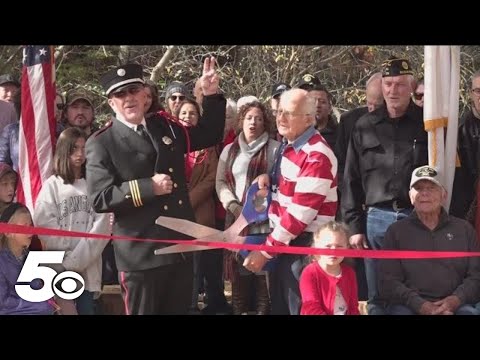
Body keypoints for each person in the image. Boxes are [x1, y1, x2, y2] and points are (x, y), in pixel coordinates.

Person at [85, 58, 225, 315]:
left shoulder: (164, 126)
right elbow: (100, 198)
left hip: (178, 248)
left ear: (144, 94)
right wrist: (148, 187)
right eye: (120, 94)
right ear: (111, 102)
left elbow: (210, 134)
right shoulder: (102, 142)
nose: (129, 98)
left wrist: (211, 94)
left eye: (133, 90)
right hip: (141, 254)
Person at [341, 56, 428, 315]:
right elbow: (350, 180)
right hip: (376, 219)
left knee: (417, 292)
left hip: (418, 218)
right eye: (388, 84)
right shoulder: (364, 125)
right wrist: (354, 227)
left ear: (411, 86)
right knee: (378, 296)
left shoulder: (428, 124)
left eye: (400, 84)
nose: (393, 90)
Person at [243, 88, 338, 315]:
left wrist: (265, 251)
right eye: (280, 112)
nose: (281, 118)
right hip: (284, 244)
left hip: (303, 248)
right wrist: (269, 179)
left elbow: (299, 216)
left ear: (309, 118)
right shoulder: (288, 145)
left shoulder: (316, 154)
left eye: (290, 113)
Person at [378, 165, 480, 315]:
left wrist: (455, 300)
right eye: (418, 188)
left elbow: (476, 276)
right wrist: (420, 305)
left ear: (444, 195)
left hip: (456, 305)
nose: (424, 193)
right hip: (409, 306)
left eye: (431, 188)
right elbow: (388, 281)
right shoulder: (395, 232)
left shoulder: (464, 230)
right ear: (410, 196)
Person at [34, 127, 110, 315]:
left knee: (86, 310)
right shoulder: (52, 185)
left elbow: (102, 227)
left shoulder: (95, 184)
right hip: (59, 267)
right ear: (63, 150)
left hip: (88, 265)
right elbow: (44, 224)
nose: (79, 154)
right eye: (74, 148)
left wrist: (78, 258)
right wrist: (69, 254)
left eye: (84, 148)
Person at [216, 100, 279, 315]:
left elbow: (278, 181)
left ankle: (263, 310)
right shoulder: (229, 150)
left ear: (265, 123)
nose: (254, 122)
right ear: (241, 121)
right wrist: (232, 205)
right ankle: (238, 309)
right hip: (235, 217)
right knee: (238, 265)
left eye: (259, 118)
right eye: (249, 118)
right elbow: (220, 182)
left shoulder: (274, 149)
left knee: (261, 266)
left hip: (264, 218)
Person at [0, 203, 55, 315]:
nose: (30, 231)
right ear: (8, 232)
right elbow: (4, 302)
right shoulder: (1, 262)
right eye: (24, 227)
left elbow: (37, 289)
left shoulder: (29, 258)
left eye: (31, 225)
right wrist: (40, 306)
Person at [300, 221, 359, 315]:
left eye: (339, 246)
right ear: (317, 245)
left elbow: (353, 307)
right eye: (328, 246)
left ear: (347, 247)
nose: (333, 251)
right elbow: (311, 308)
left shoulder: (349, 272)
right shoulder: (309, 272)